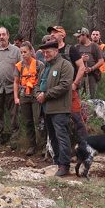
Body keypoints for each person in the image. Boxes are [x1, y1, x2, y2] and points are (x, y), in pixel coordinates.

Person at [36, 40, 75, 177]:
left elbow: (64, 86)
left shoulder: (65, 65)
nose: (46, 54)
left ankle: (65, 165)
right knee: (52, 137)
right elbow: (38, 83)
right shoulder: (45, 67)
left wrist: (45, 95)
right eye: (44, 52)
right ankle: (58, 161)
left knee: (61, 137)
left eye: (48, 52)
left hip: (60, 109)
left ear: (56, 51)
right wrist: (38, 93)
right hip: (46, 109)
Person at [14, 41, 45, 155]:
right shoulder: (19, 66)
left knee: (39, 120)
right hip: (24, 96)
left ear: (31, 51)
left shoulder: (39, 65)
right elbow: (16, 82)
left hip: (36, 95)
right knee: (28, 121)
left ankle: (43, 145)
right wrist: (16, 97)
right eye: (21, 52)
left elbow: (43, 81)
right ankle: (32, 145)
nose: (23, 54)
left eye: (25, 52)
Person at [70, 28, 104, 97]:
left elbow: (101, 61)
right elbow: (72, 62)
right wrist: (81, 59)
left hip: (91, 76)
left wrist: (91, 68)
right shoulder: (76, 47)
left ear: (85, 35)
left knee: (91, 96)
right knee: (78, 95)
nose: (77, 38)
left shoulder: (94, 46)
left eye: (79, 36)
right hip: (79, 76)